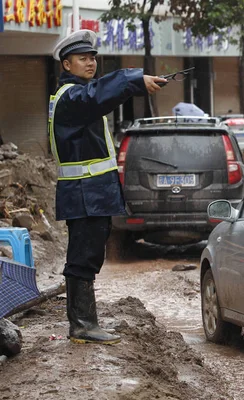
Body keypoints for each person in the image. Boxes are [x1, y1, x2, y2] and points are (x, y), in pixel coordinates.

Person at [49, 29, 167, 344]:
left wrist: (135, 83)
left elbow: (99, 94)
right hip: (85, 192)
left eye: (92, 58)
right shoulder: (72, 97)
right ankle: (83, 325)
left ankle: (86, 324)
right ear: (66, 65)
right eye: (82, 58)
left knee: (87, 254)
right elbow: (98, 94)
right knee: (83, 256)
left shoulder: (79, 97)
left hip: (92, 192)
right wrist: (134, 80)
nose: (90, 63)